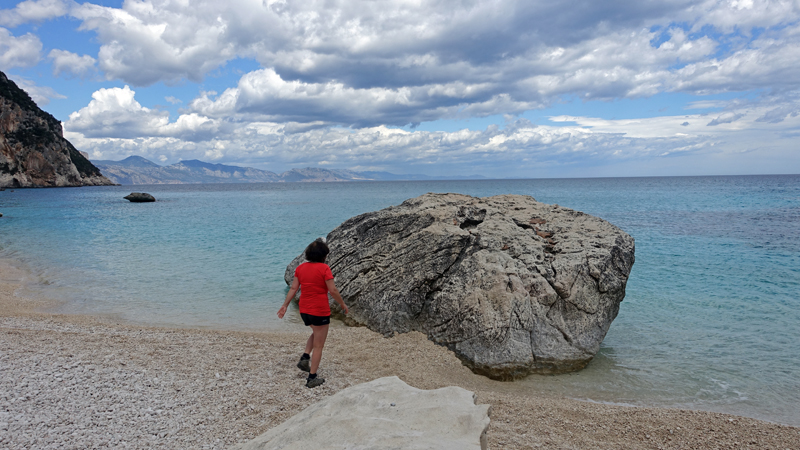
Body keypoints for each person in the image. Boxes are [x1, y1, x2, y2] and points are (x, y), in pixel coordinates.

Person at [277, 238, 348, 388]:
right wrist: (342, 304)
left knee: (316, 333)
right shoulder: (324, 269)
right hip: (319, 310)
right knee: (319, 345)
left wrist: (285, 305)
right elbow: (333, 290)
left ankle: (304, 357)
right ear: (323, 256)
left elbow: (293, 289)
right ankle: (312, 378)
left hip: (304, 310)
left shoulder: (300, 268)